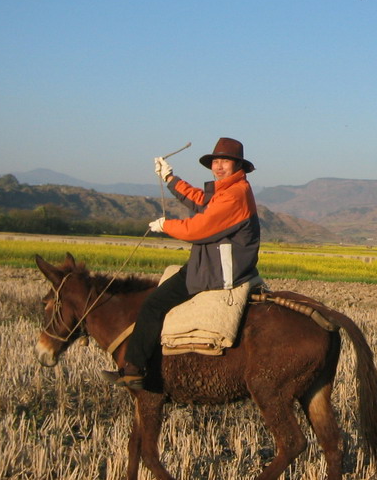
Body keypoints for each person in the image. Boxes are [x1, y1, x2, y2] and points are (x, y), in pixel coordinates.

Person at [102, 137, 261, 390]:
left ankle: (133, 370)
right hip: (211, 263)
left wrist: (166, 225)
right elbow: (200, 201)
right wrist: (170, 178)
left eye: (225, 161)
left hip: (220, 270)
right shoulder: (228, 190)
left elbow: (199, 228)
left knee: (153, 304)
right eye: (215, 161)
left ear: (238, 165)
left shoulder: (234, 195)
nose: (219, 166)